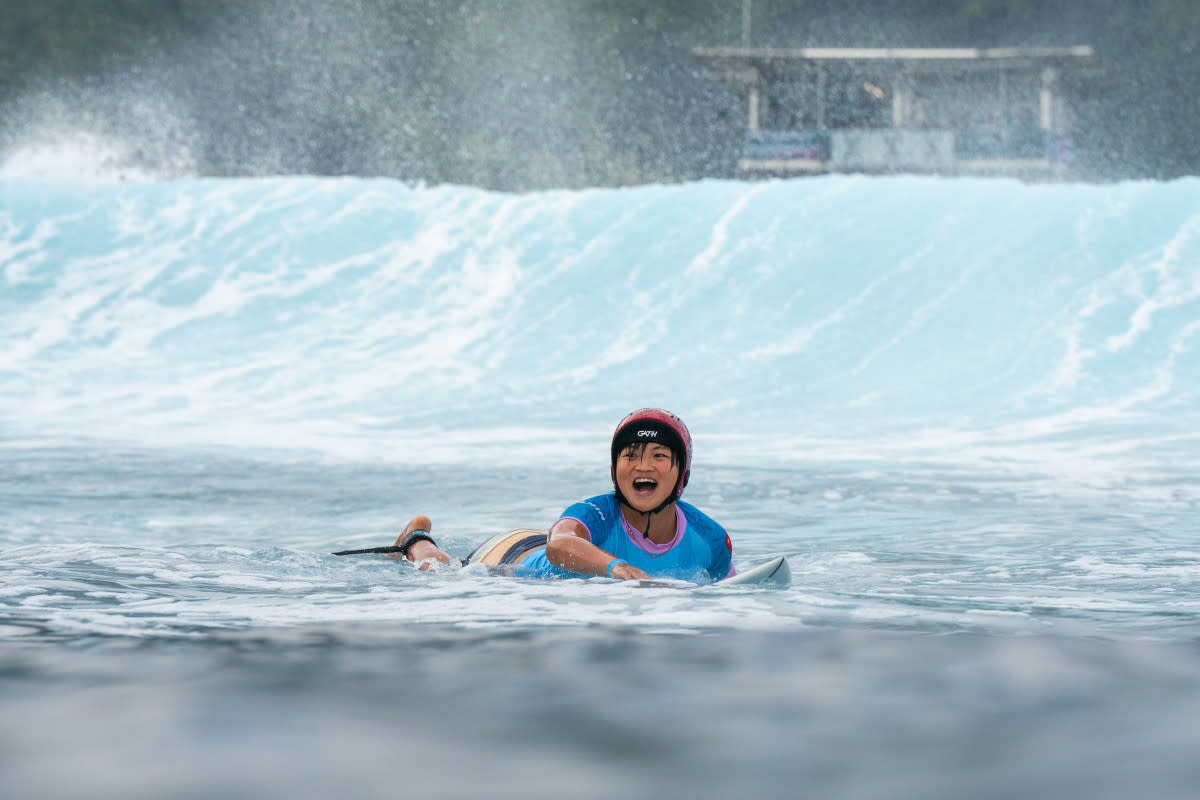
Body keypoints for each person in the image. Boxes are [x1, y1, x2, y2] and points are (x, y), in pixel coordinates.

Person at [391, 408, 734, 584]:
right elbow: (558, 546)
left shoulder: (710, 538)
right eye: (629, 455)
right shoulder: (597, 512)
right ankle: (415, 539)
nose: (641, 466)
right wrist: (619, 569)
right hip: (513, 560)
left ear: (681, 471)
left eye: (659, 456)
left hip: (551, 549)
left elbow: (729, 587)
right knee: (442, 572)